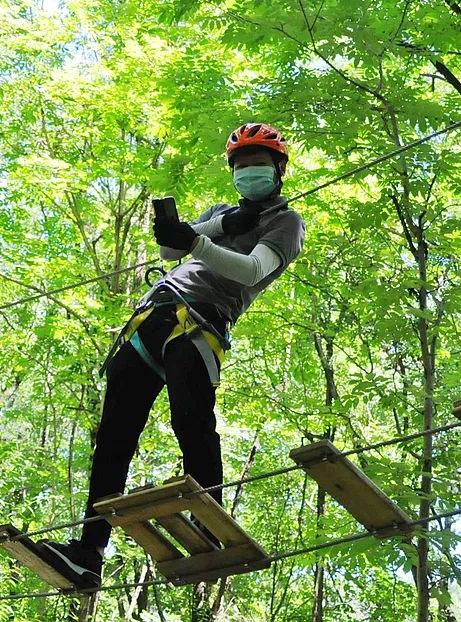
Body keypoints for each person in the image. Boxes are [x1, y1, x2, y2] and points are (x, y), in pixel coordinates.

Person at [40, 123, 306, 589]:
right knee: (115, 436)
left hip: (202, 319)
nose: (248, 173)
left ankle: (210, 523)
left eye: (257, 165)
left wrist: (201, 242)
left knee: (191, 418)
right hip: (154, 313)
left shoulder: (286, 222)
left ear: (279, 168)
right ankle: (89, 551)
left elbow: (252, 270)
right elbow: (168, 248)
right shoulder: (223, 212)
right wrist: (219, 225)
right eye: (240, 166)